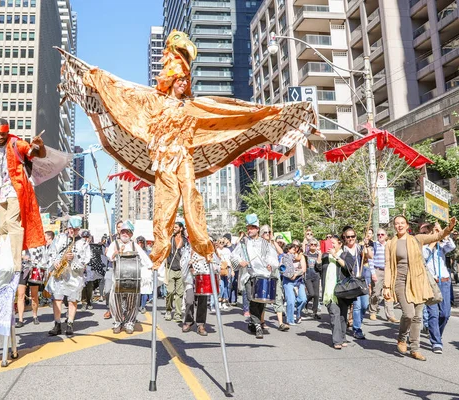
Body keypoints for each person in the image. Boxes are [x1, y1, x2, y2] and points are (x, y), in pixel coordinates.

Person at [61, 29, 317, 274]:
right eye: (180, 79)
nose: (184, 83)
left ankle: (202, 243)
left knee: (191, 193)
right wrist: (95, 76)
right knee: (166, 202)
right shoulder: (154, 100)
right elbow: (124, 91)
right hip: (162, 159)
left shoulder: (192, 106)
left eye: (186, 80)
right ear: (171, 79)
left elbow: (231, 112)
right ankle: (159, 248)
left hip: (183, 156)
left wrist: (276, 114)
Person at [0, 118, 48, 337]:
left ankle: (14, 262)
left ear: (7, 133)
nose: (0, 138)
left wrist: (38, 146)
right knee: (1, 228)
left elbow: (36, 154)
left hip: (16, 190)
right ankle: (5, 257)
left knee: (13, 224)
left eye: (3, 135)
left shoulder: (16, 143)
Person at [383, 215, 456, 361]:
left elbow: (438, 236)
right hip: (400, 281)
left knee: (417, 317)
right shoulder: (390, 243)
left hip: (418, 281)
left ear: (407, 225)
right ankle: (402, 338)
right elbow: (389, 266)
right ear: (394, 226)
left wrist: (449, 228)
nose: (399, 225)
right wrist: (386, 286)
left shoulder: (417, 239)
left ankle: (415, 349)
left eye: (402, 223)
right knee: (408, 314)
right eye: (397, 223)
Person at [231, 217, 280, 338]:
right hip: (249, 274)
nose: (249, 230)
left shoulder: (265, 243)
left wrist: (271, 265)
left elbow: (273, 258)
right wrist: (240, 261)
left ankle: (253, 323)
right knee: (251, 299)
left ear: (257, 229)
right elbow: (233, 256)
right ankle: (258, 325)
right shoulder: (243, 243)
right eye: (248, 228)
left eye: (251, 228)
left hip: (263, 274)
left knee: (261, 301)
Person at [46, 217, 91, 337]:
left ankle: (70, 323)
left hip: (74, 275)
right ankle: (57, 324)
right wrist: (55, 261)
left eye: (75, 229)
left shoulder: (83, 243)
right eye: (71, 228)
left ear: (79, 229)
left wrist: (74, 258)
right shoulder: (59, 238)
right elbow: (51, 252)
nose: (73, 231)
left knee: (72, 300)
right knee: (57, 299)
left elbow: (87, 259)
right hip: (59, 273)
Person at [105, 221, 153, 334]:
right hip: (117, 279)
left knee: (132, 302)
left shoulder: (134, 245)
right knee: (115, 302)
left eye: (127, 232)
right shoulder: (114, 244)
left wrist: (151, 266)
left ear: (131, 234)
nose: (125, 233)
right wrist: (115, 253)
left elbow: (145, 258)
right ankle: (117, 322)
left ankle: (129, 323)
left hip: (132, 279)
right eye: (123, 231)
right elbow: (109, 257)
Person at [419, 222, 455, 354]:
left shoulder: (440, 245)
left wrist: (442, 233)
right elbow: (424, 255)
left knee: (445, 314)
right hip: (429, 282)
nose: (423, 235)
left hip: (444, 281)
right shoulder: (421, 246)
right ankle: (436, 342)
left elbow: (451, 246)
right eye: (422, 233)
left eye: (426, 232)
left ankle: (437, 334)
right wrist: (433, 240)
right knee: (433, 313)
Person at [341, 227, 373, 340]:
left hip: (361, 279)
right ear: (344, 237)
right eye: (348, 237)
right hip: (350, 280)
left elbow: (370, 256)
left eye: (352, 236)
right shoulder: (342, 249)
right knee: (357, 306)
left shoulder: (360, 248)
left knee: (365, 305)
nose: (350, 239)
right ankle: (357, 329)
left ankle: (357, 321)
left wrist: (367, 246)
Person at [323, 235, 353, 349]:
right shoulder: (326, 256)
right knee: (334, 314)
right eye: (330, 243)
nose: (331, 246)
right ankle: (337, 340)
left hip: (342, 289)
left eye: (333, 243)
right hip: (330, 292)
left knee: (342, 315)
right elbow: (319, 269)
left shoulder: (345, 254)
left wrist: (335, 256)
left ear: (340, 244)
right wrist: (319, 257)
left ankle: (343, 337)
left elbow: (348, 268)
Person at [368, 229, 398, 322]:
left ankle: (390, 316)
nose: (380, 236)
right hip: (377, 270)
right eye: (378, 234)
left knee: (388, 293)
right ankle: (373, 311)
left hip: (388, 271)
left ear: (386, 236)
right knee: (376, 293)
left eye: (382, 234)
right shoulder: (374, 245)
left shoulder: (389, 245)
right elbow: (370, 259)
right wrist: (373, 273)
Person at [164, 222, 188, 322]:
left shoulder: (185, 241)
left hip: (181, 269)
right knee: (170, 291)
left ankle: (178, 314)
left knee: (180, 293)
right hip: (170, 268)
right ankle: (168, 310)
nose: (174, 228)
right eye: (173, 227)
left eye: (176, 227)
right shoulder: (170, 239)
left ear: (181, 229)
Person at [182, 251, 208, 336]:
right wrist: (188, 263)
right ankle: (189, 321)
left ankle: (201, 324)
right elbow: (182, 262)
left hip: (203, 278)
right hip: (190, 279)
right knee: (189, 301)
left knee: (202, 302)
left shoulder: (206, 247)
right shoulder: (188, 249)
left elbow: (215, 261)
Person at [281, 242, 307, 326]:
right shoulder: (284, 257)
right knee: (291, 300)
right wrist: (288, 274)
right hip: (288, 281)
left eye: (296, 247)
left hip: (299, 280)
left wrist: (295, 274)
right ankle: (290, 319)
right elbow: (281, 268)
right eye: (293, 247)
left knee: (303, 299)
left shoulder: (301, 257)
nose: (295, 248)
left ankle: (298, 314)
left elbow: (303, 269)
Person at [304, 238, 322, 319]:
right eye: (312, 244)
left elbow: (319, 267)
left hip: (316, 275)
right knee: (311, 293)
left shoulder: (318, 254)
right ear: (309, 245)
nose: (313, 246)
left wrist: (320, 256)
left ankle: (314, 312)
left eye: (315, 244)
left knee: (317, 295)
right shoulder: (305, 254)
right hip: (308, 276)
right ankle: (305, 302)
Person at [136, 236, 152, 313]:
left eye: (142, 242)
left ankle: (143, 306)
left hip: (145, 274)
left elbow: (150, 262)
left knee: (145, 290)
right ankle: (137, 305)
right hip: (136, 272)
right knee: (137, 291)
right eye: (139, 242)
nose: (140, 244)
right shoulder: (134, 251)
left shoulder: (148, 252)